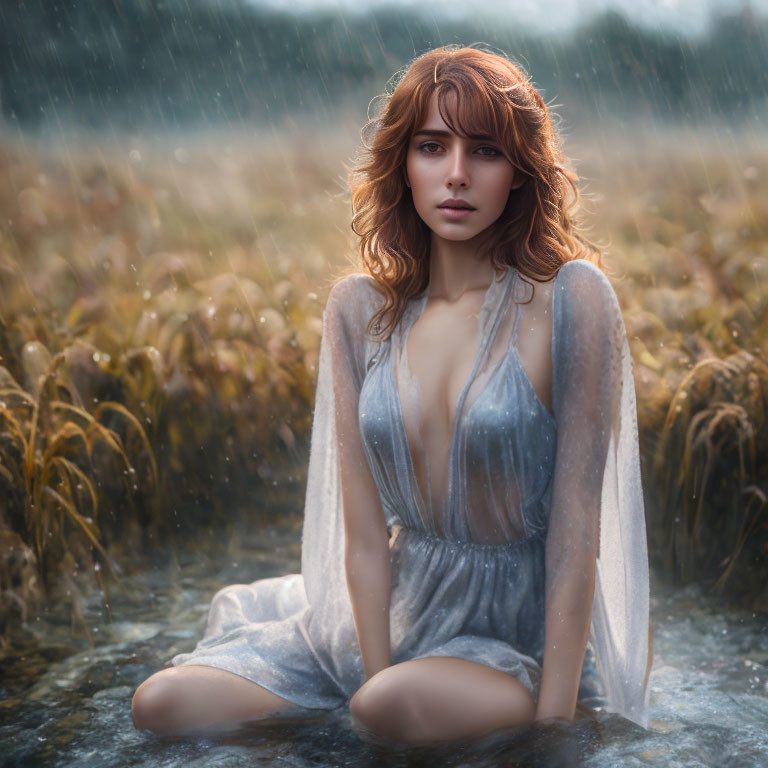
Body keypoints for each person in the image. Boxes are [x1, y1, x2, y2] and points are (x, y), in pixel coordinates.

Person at [131, 44, 653, 745]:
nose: (458, 175)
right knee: (160, 703)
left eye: (487, 151)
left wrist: (553, 730)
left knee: (386, 710)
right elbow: (365, 541)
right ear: (402, 165)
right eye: (433, 147)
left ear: (521, 173)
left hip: (509, 639)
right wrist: (368, 677)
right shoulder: (359, 312)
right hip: (385, 617)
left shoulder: (570, 301)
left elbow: (576, 539)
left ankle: (421, 705)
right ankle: (374, 698)